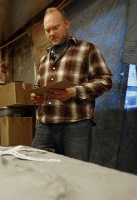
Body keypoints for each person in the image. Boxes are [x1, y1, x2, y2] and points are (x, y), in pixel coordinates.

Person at [30, 7, 112, 161]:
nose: (51, 33)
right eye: (47, 30)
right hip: (45, 124)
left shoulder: (87, 49)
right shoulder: (43, 60)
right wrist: (38, 97)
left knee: (76, 173)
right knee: (37, 167)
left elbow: (105, 80)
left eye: (56, 27)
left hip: (76, 125)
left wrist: (74, 92)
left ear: (67, 24)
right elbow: (38, 88)